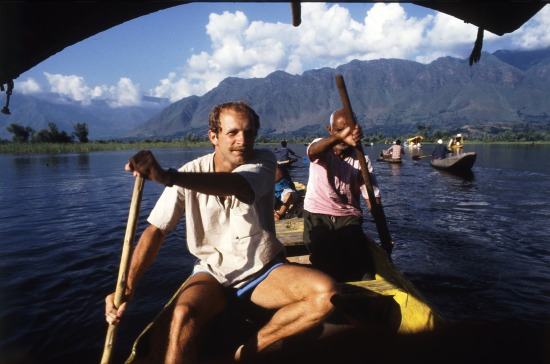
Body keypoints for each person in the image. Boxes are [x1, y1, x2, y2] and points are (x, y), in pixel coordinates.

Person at [105, 101, 338, 363]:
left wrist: (168, 177)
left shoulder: (263, 161)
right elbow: (156, 231)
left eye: (249, 133)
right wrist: (127, 287)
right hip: (212, 273)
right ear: (213, 137)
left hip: (262, 271)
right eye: (233, 133)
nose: (243, 140)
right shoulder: (189, 172)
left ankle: (245, 352)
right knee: (182, 314)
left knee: (326, 295)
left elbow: (235, 185)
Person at [302, 108, 392, 283]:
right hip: (317, 214)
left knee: (360, 261)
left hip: (348, 216)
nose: (343, 136)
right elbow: (313, 151)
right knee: (323, 255)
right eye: (338, 130)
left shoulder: (362, 160)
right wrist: (341, 136)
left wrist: (386, 236)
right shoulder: (321, 147)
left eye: (348, 130)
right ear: (330, 130)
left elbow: (373, 201)